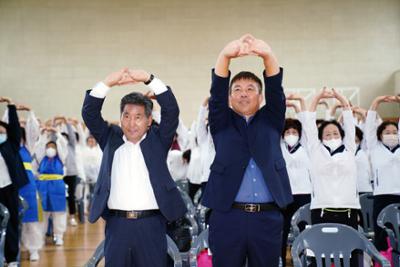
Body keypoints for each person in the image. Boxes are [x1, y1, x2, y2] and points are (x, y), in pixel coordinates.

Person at [201, 34, 292, 267]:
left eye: (250, 89)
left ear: (260, 96)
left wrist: (267, 55)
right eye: (238, 89)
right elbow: (217, 94)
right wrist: (225, 56)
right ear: (230, 97)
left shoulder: (271, 119)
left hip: (267, 217)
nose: (243, 93)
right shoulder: (221, 122)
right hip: (227, 216)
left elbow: (275, 90)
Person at [82, 68, 186, 266]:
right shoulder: (110, 138)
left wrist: (149, 79)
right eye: (126, 116)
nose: (131, 123)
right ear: (120, 118)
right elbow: (89, 113)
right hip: (117, 225)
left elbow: (171, 110)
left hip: (152, 224)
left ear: (149, 120)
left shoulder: (159, 140)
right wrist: (107, 83)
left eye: (138, 117)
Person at [365, 95, 400, 251]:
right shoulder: (374, 148)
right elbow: (369, 128)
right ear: (380, 135)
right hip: (382, 196)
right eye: (387, 131)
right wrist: (375, 102)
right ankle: (383, 260)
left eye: (395, 131)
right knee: (382, 235)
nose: (391, 134)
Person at [280, 94, 312, 267]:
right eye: (287, 132)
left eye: (294, 132)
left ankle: (305, 261)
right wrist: (283, 105)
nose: (291, 134)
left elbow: (306, 125)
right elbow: (275, 121)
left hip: (304, 195)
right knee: (282, 232)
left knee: (303, 231)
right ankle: (281, 262)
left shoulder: (305, 146)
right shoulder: (279, 146)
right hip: (284, 195)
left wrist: (299, 106)